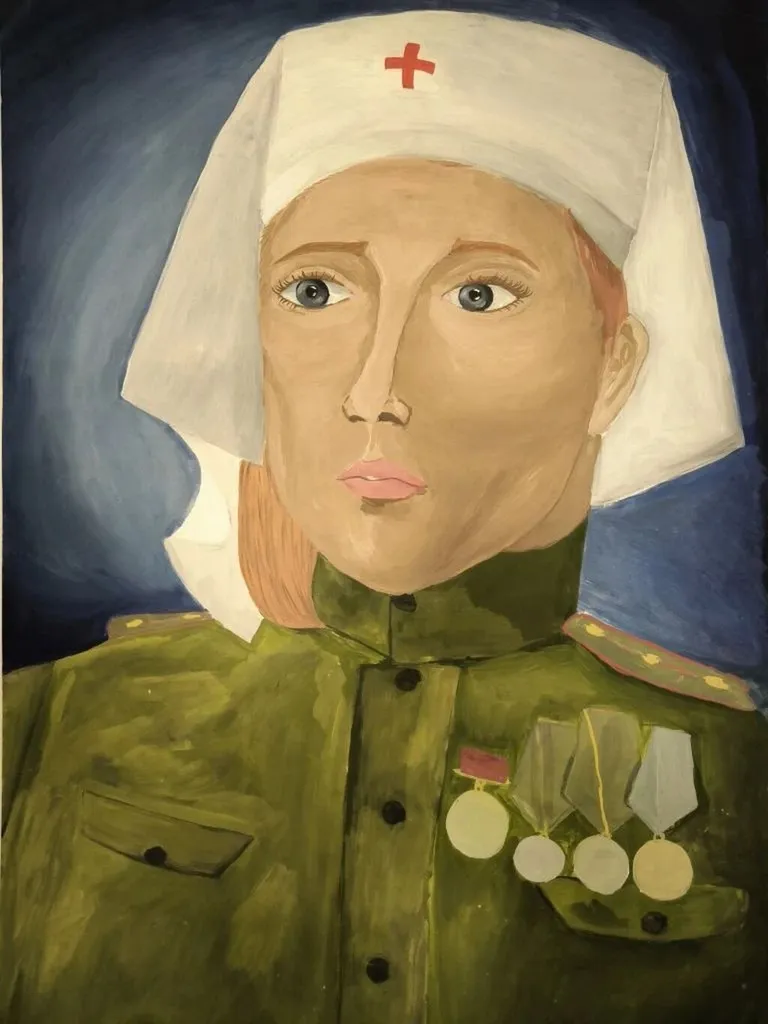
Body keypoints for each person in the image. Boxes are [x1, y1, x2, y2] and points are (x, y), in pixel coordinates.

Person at [2, 10, 767, 1024]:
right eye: (316, 289)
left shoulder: (739, 777)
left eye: (481, 294)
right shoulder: (43, 733)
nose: (376, 388)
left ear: (615, 366)